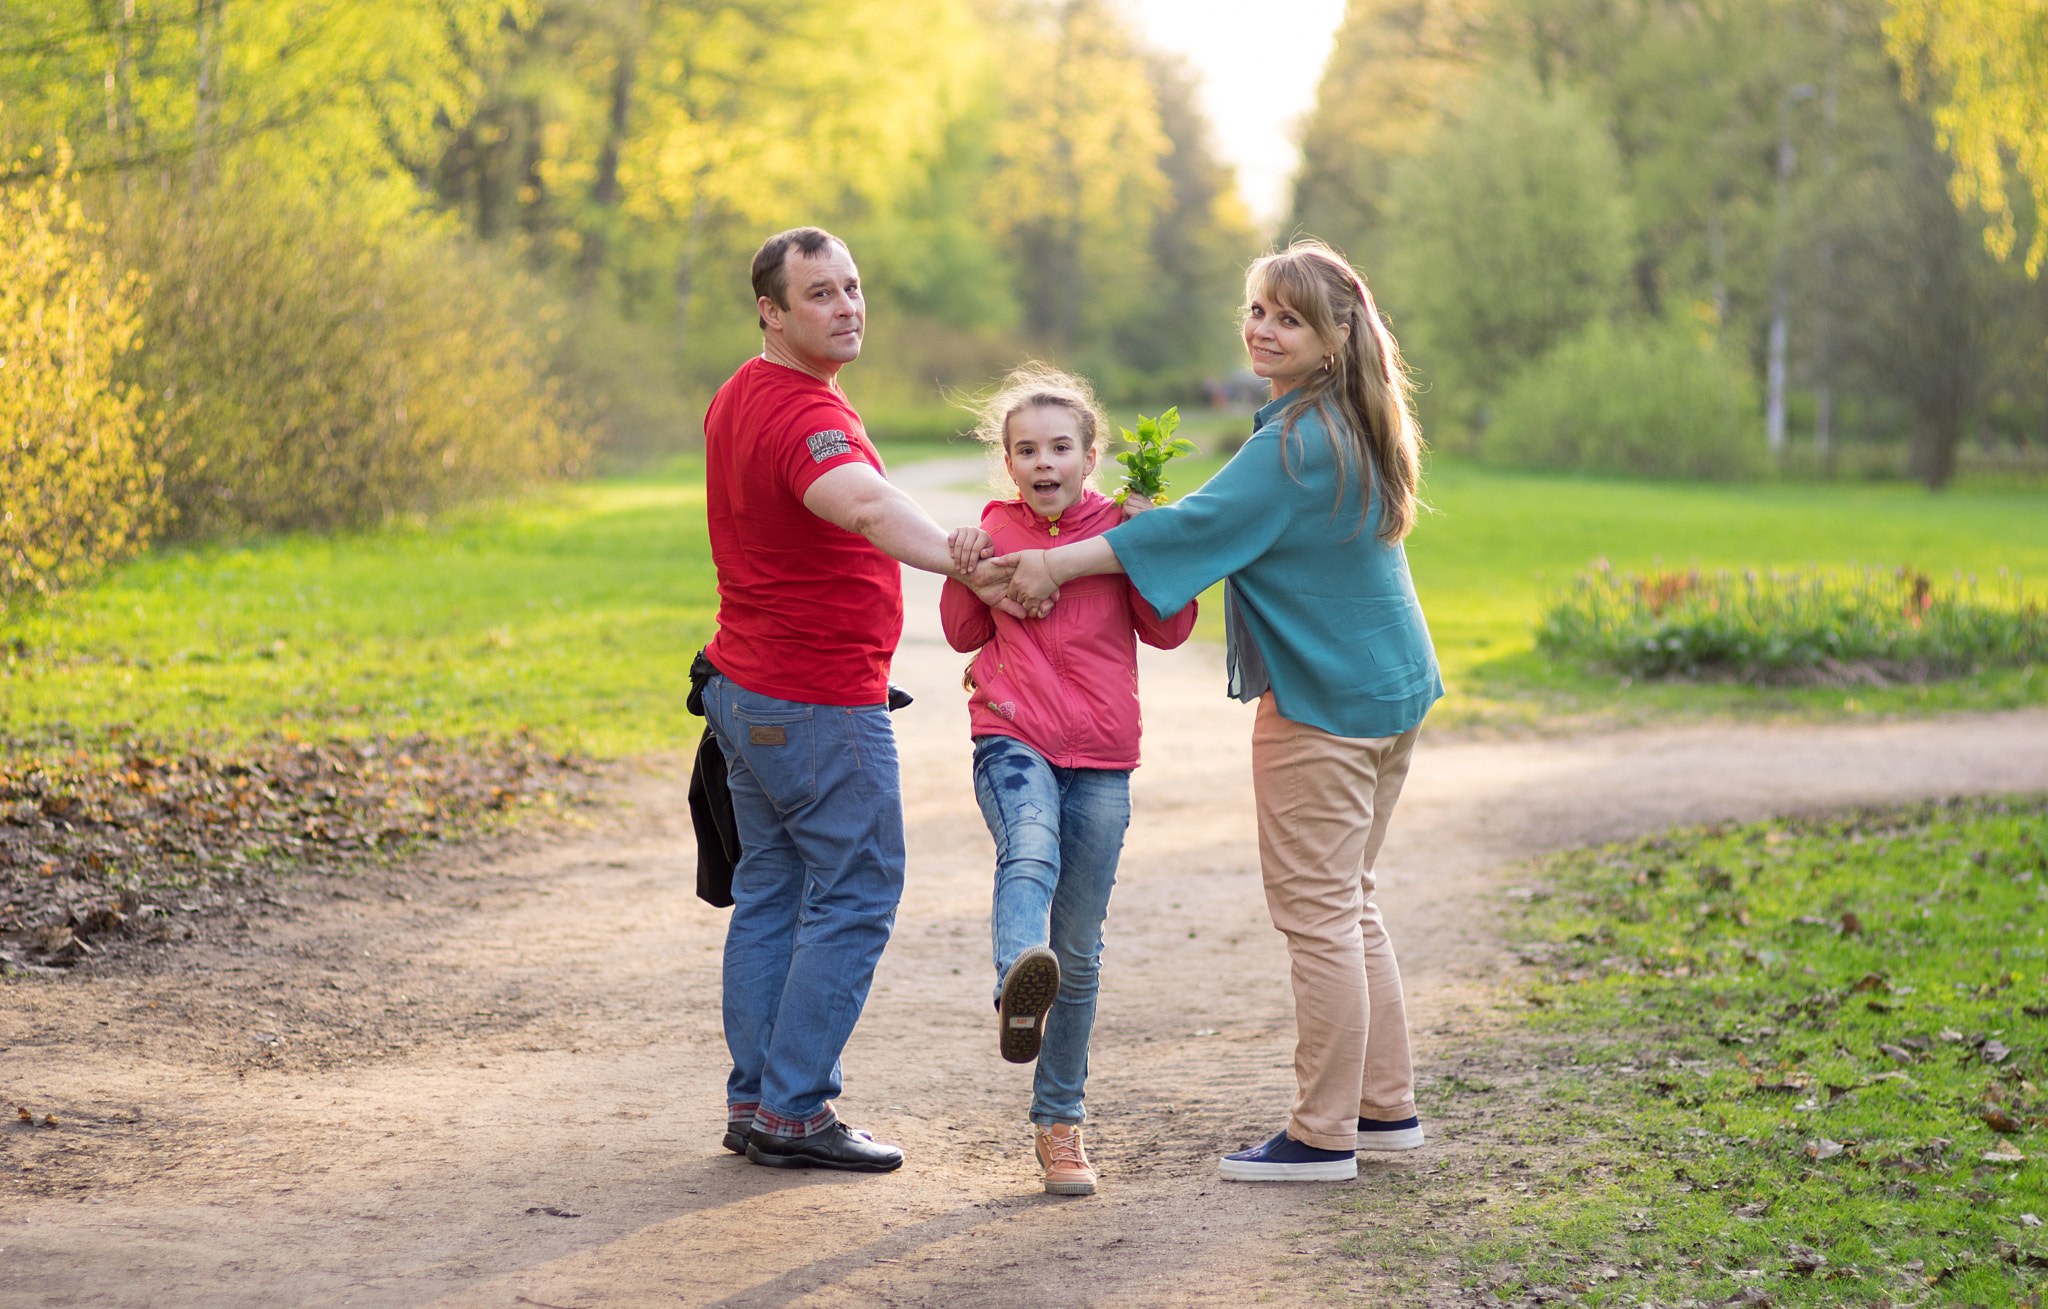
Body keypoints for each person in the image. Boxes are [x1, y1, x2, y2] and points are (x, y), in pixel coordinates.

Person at [1001, 239, 1442, 1183]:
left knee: (1320, 914)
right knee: (1349, 902)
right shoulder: (1348, 420)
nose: (1262, 328)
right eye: (1256, 310)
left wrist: (1051, 561)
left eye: (1288, 316)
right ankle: (1384, 1106)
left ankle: (1324, 1133)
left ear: (1334, 338)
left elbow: (1188, 531)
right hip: (1389, 690)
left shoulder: (1295, 442)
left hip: (1327, 704)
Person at [698, 226, 1014, 1174]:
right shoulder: (803, 415)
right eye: (821, 295)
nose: (846, 308)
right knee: (857, 892)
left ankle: (755, 1101)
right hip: (814, 700)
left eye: (851, 287)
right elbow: (867, 506)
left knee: (771, 891)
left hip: (748, 686)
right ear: (771, 310)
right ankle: (795, 1111)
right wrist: (973, 560)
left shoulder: (740, 395)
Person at [937, 365, 1197, 1197]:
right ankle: (1019, 971)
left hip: (1104, 755)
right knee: (1029, 852)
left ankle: (1059, 1126)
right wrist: (962, 563)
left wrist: (1154, 543)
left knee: (1079, 954)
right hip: (1011, 735)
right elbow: (957, 629)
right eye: (1025, 449)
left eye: (1059, 446)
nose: (1042, 461)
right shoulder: (993, 527)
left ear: (1091, 456)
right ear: (1007, 463)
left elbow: (1170, 628)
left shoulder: (1119, 531)